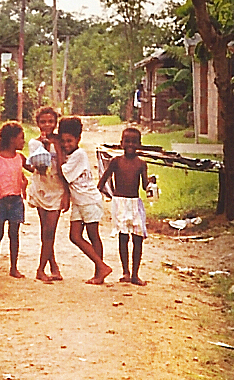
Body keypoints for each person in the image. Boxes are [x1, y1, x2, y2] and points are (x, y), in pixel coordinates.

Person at [58, 116, 113, 285]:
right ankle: (101, 267)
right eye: (63, 142)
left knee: (93, 235)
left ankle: (100, 270)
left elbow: (63, 174)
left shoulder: (79, 154)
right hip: (79, 202)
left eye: (69, 141)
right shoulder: (71, 154)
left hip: (89, 200)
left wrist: (58, 150)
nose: (66, 145)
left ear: (78, 139)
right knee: (74, 236)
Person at [97, 127, 155, 286]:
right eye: (127, 141)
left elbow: (144, 186)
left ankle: (135, 274)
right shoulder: (116, 161)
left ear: (139, 144)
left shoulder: (141, 164)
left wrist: (151, 183)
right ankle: (126, 272)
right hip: (120, 203)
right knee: (123, 237)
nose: (130, 144)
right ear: (121, 143)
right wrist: (99, 195)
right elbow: (103, 180)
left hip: (134, 203)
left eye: (134, 142)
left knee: (138, 238)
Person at [27, 106, 69, 282]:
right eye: (43, 122)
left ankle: (42, 268)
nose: (47, 125)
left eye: (51, 121)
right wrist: (44, 146)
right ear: (37, 123)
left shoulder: (63, 142)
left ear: (56, 123)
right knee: (45, 230)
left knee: (50, 230)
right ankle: (51, 266)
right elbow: (40, 168)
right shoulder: (34, 143)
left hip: (57, 188)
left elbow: (64, 168)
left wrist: (67, 193)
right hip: (41, 187)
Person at [0, 121, 31, 278]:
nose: (23, 141)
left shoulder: (20, 157)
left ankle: (14, 267)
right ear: (12, 139)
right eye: (21, 138)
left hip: (15, 200)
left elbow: (34, 167)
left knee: (14, 234)